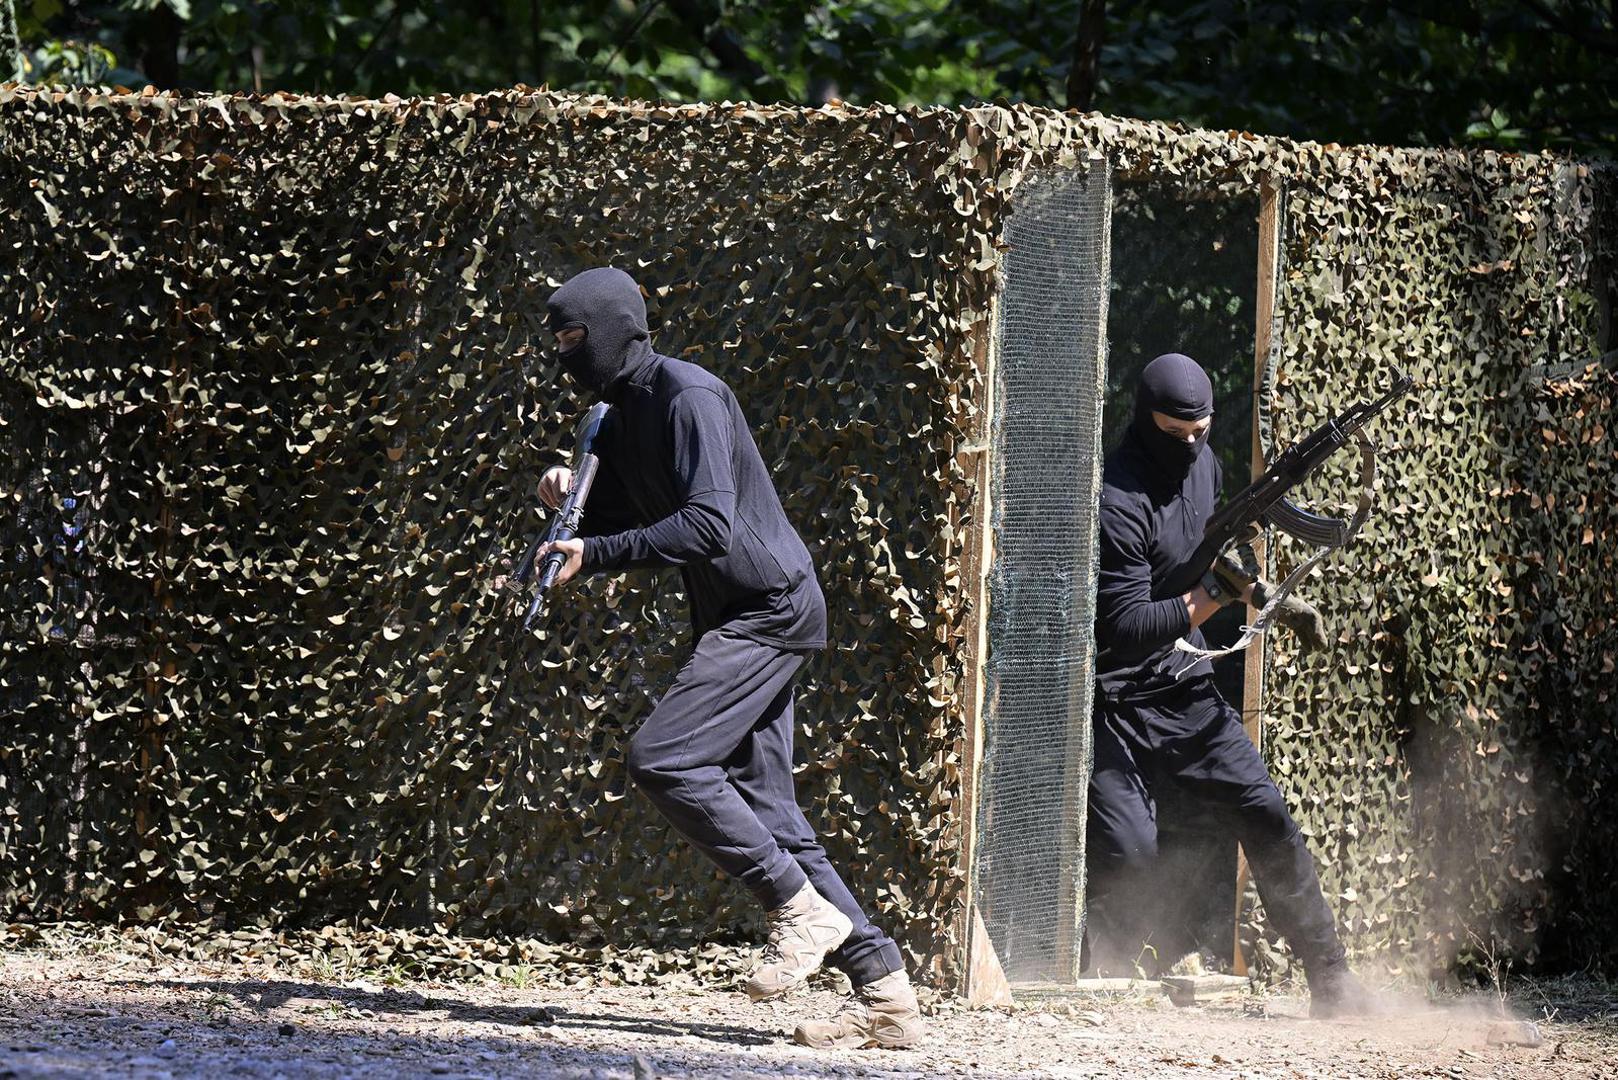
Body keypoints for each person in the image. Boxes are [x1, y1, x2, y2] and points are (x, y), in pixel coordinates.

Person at [532, 266, 924, 1049]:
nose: (565, 357)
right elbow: (626, 514)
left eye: (574, 339)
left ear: (611, 328)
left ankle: (797, 906)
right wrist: (567, 499)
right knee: (773, 809)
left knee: (664, 757)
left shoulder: (688, 395)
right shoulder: (616, 418)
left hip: (769, 607)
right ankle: (886, 994)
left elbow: (707, 527)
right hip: (734, 613)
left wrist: (599, 549)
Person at [1086, 351, 1373, 1017]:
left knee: (1268, 817)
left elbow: (1214, 554)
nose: (1189, 446)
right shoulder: (1119, 499)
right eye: (1174, 432)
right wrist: (1216, 594)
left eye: (1201, 431)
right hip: (1115, 695)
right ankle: (1105, 973)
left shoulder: (1207, 468)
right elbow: (1127, 624)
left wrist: (1264, 591)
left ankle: (1334, 981)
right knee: (1131, 849)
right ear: (1145, 420)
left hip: (1184, 684)